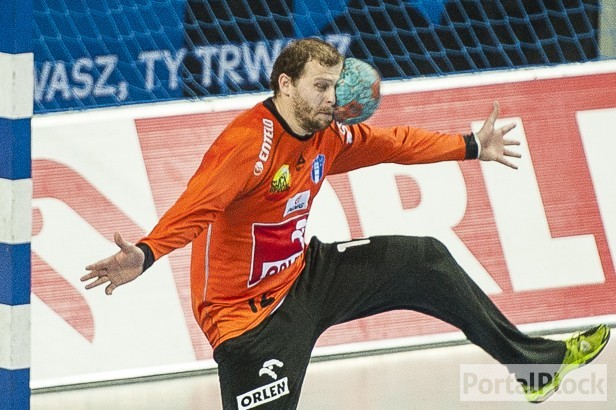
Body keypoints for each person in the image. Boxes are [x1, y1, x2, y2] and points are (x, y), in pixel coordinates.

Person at [81, 38, 610, 408]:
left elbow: (394, 143)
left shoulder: (327, 136)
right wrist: (146, 253)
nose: (332, 99)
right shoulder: (247, 144)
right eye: (320, 86)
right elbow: (196, 207)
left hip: (306, 275)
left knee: (425, 259)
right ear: (286, 85)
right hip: (248, 320)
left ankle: (533, 367)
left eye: (335, 86)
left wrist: (470, 145)